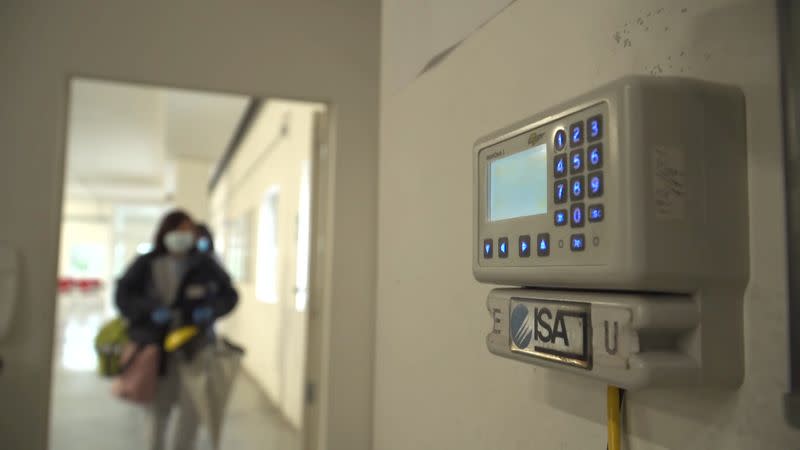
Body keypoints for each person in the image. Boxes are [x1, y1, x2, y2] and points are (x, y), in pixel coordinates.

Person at [115, 210, 238, 450]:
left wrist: (210, 310)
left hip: (196, 349)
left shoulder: (205, 264)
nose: (184, 235)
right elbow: (123, 296)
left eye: (189, 230)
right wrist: (149, 311)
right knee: (157, 412)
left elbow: (230, 295)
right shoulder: (146, 263)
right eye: (179, 230)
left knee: (191, 413)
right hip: (156, 350)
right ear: (166, 232)